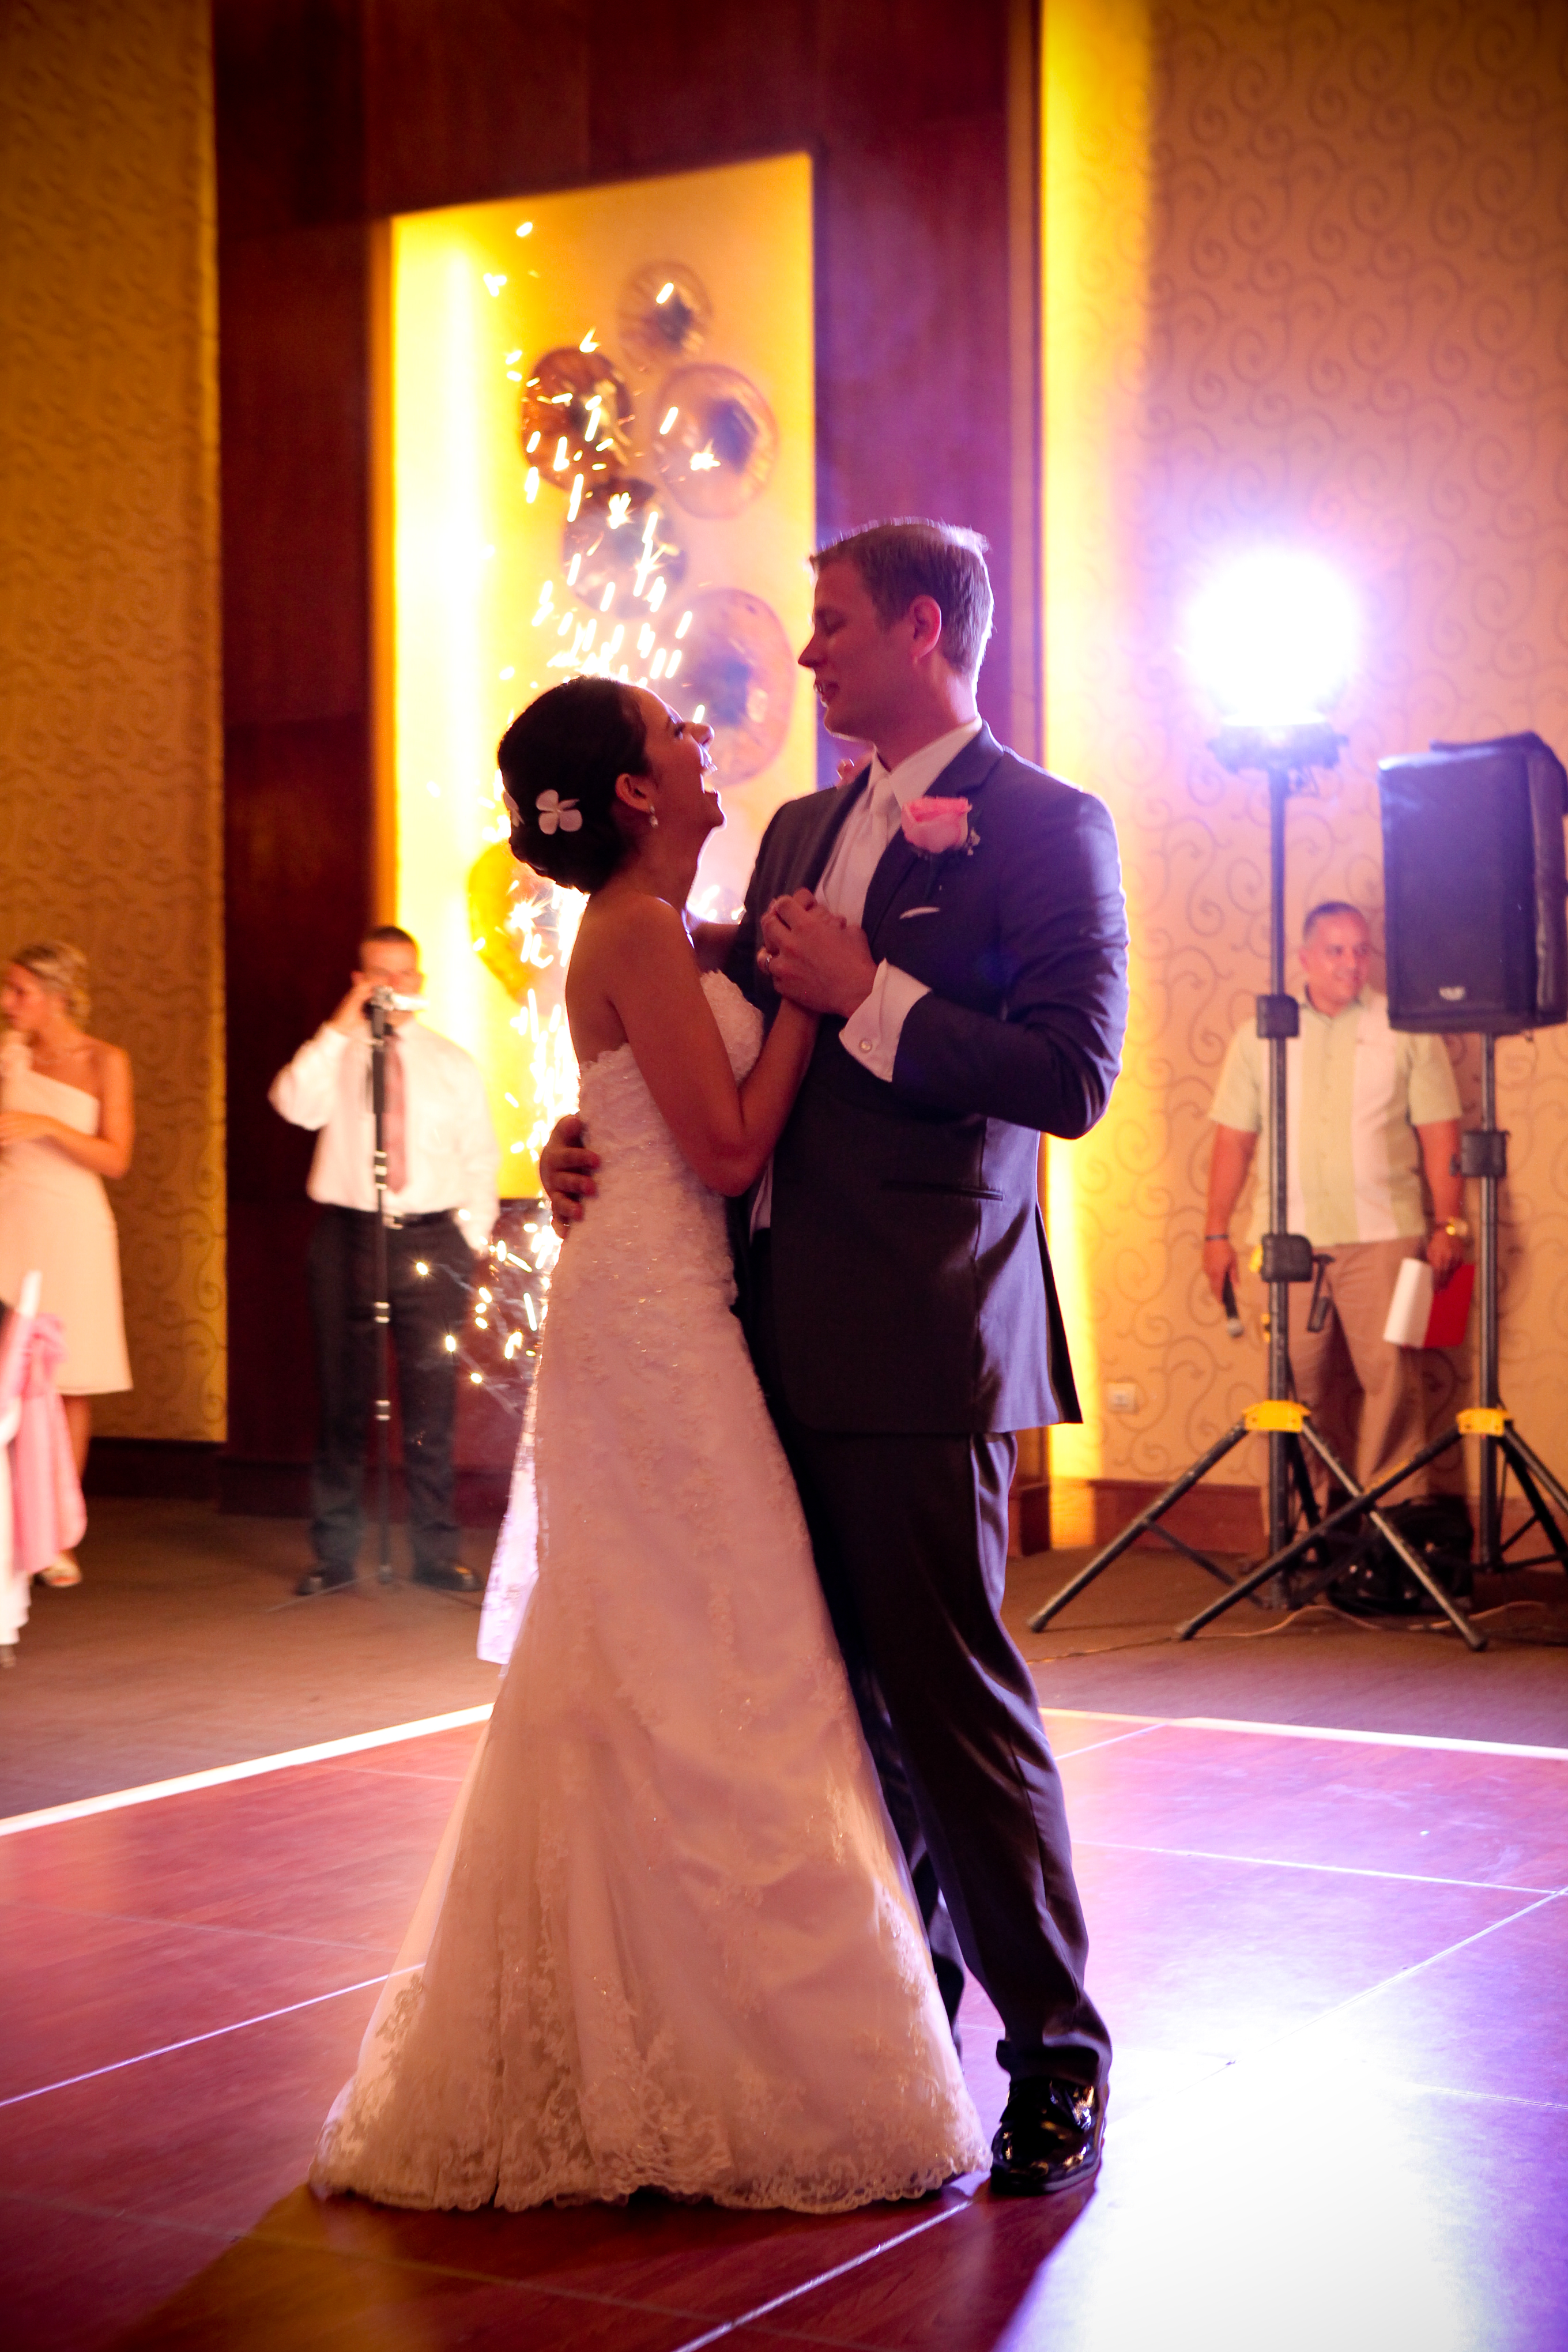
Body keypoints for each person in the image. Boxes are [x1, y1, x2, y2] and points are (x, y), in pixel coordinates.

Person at [310, 678, 987, 2211]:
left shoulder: (664, 929)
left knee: (673, 1672)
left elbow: (652, 1086)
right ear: (628, 792)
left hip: (671, 1310)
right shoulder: (628, 927)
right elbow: (733, 1143)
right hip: (660, 1335)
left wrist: (626, 1107)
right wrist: (819, 1006)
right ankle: (699, 2057)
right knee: (720, 1667)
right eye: (672, 729)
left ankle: (670, 2025)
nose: (699, 733)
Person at [544, 520, 1129, 2196]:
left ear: (926, 630)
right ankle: (893, 2033)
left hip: (923, 1329)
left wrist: (870, 987)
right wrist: (573, 1137)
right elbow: (675, 1014)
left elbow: (1069, 1075)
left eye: (834, 625)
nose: (805, 658)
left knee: (950, 1707)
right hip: (750, 1341)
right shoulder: (801, 822)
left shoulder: (1044, 826)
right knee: (834, 1718)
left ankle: (1056, 2056)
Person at [1203, 900, 1464, 1495]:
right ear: (1304, 959)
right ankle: (1309, 1532)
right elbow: (1233, 1143)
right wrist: (1214, 1232)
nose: (1350, 963)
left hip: (1384, 1235)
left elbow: (1439, 1134)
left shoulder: (1404, 1028)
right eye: (1335, 951)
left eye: (1360, 950)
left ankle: (1390, 1531)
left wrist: (1448, 1224)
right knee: (1289, 1390)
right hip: (1285, 1242)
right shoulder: (1261, 1035)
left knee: (1392, 1381)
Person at [270, 926, 498, 1597]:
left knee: (431, 1404)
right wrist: (339, 1029)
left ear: (420, 983)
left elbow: (478, 1158)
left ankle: (434, 1548)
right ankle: (336, 1553)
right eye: (378, 975)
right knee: (342, 1398)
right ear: (358, 980)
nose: (392, 988)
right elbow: (290, 1102)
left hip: (432, 1239)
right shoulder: (335, 1056)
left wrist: (470, 1241)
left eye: (404, 975)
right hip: (348, 1237)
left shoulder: (451, 1063)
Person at [0, 942, 133, 1588]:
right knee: (7, 1374)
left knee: (70, 1379)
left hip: (75, 1224)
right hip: (11, 1219)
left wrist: (43, 1124)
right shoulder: (7, 1057)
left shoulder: (105, 1060)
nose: (7, 1002)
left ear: (57, 996)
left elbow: (116, 1158)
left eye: (20, 990)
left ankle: (55, 1534)